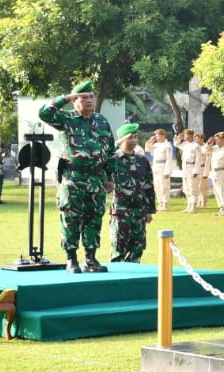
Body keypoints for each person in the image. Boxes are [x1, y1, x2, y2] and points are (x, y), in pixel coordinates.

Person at [38, 81, 115, 273]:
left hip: (96, 178)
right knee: (71, 218)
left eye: (91, 97)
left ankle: (91, 258)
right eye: (83, 97)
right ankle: (71, 258)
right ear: (74, 101)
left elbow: (111, 151)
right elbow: (44, 113)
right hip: (73, 177)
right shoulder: (67, 119)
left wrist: (110, 176)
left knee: (94, 218)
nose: (89, 100)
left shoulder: (102, 121)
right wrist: (65, 98)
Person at [108, 123, 155, 263]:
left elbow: (148, 186)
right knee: (118, 249)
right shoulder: (113, 159)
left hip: (139, 212)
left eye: (136, 137)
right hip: (121, 212)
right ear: (121, 139)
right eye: (130, 138)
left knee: (137, 249)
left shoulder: (142, 160)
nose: (134, 140)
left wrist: (149, 210)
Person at [146, 128, 174, 212]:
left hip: (163, 166)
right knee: (157, 186)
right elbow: (147, 149)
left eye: (157, 136)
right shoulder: (156, 145)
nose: (156, 137)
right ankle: (160, 202)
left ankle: (165, 204)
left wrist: (167, 171)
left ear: (163, 136)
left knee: (164, 186)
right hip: (156, 167)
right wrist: (150, 141)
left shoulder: (167, 145)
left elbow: (169, 159)